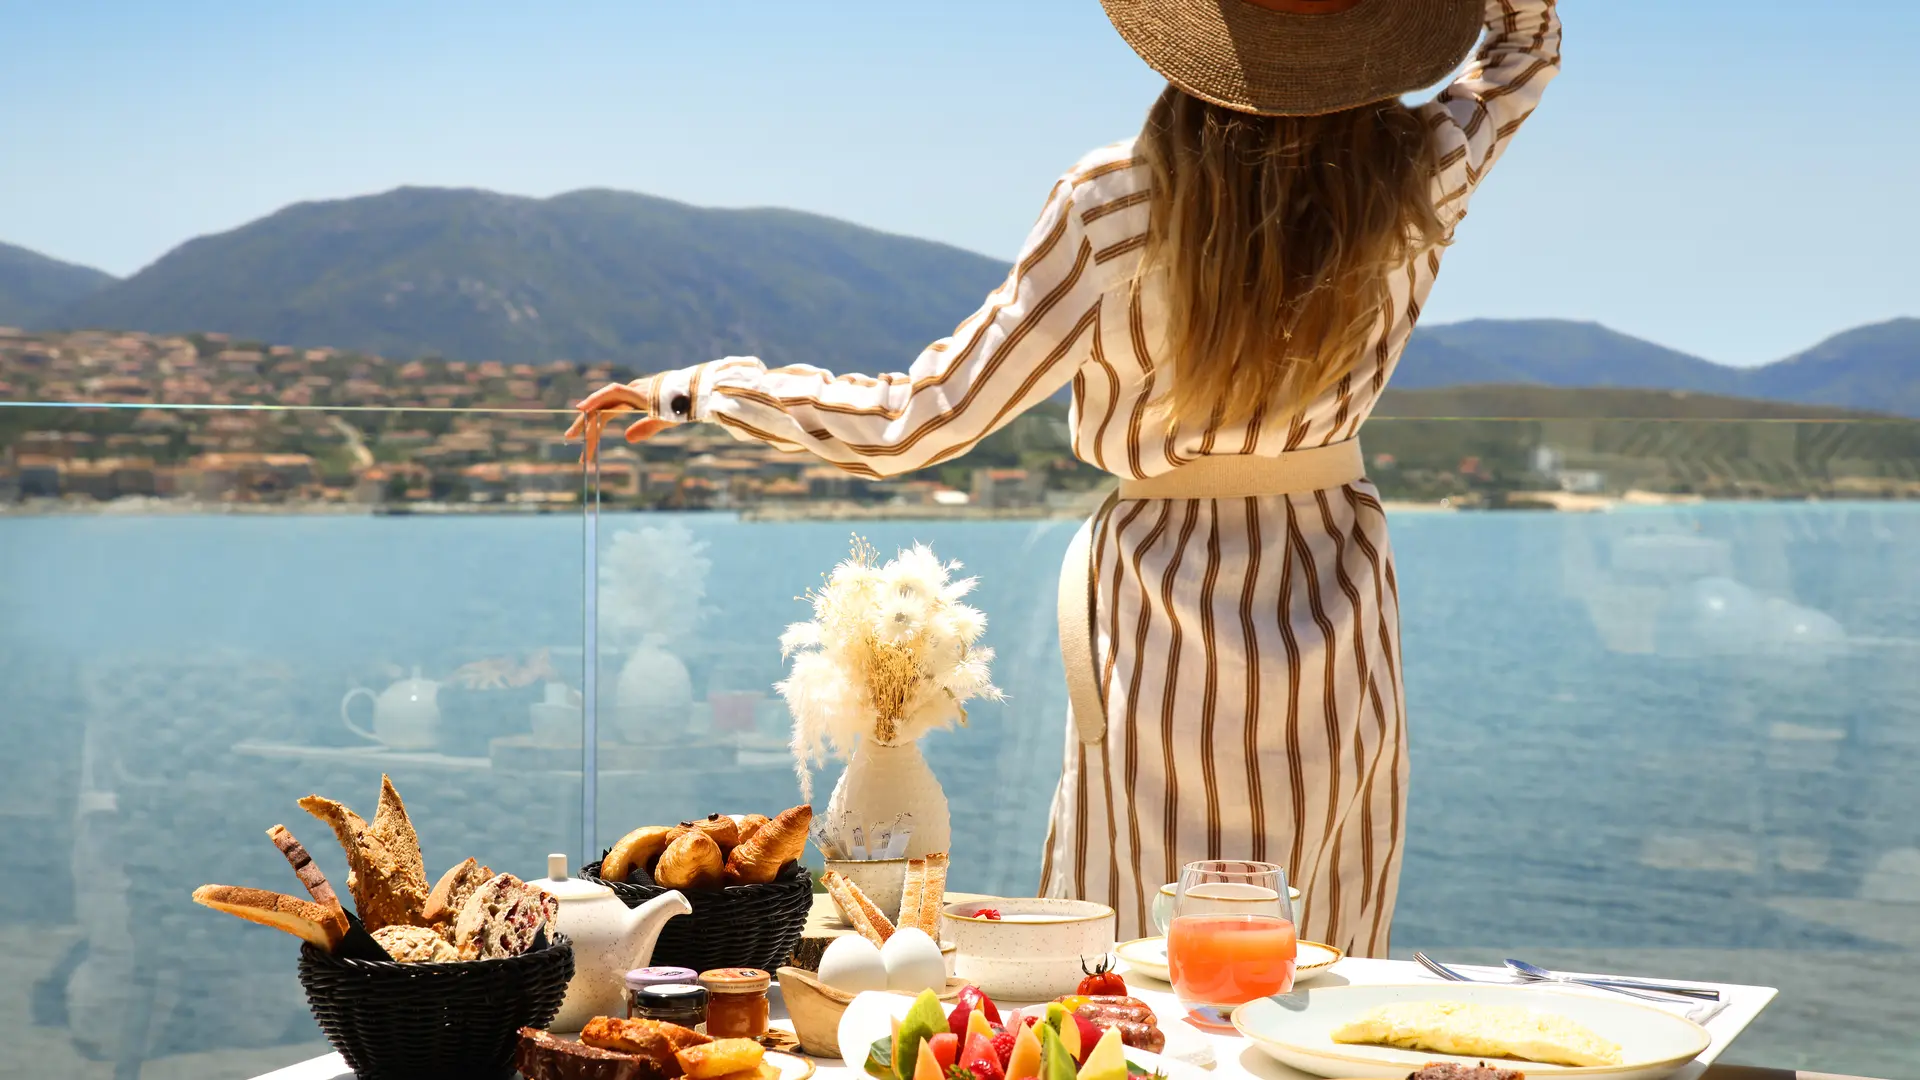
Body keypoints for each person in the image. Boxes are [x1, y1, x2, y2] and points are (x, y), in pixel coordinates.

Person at [570, 0, 1560, 954]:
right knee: (1317, 935)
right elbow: (1526, 43)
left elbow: (921, 418)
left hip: (1160, 612)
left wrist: (703, 392)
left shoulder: (1112, 204)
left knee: (1128, 933)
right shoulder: (1424, 173)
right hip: (1335, 594)